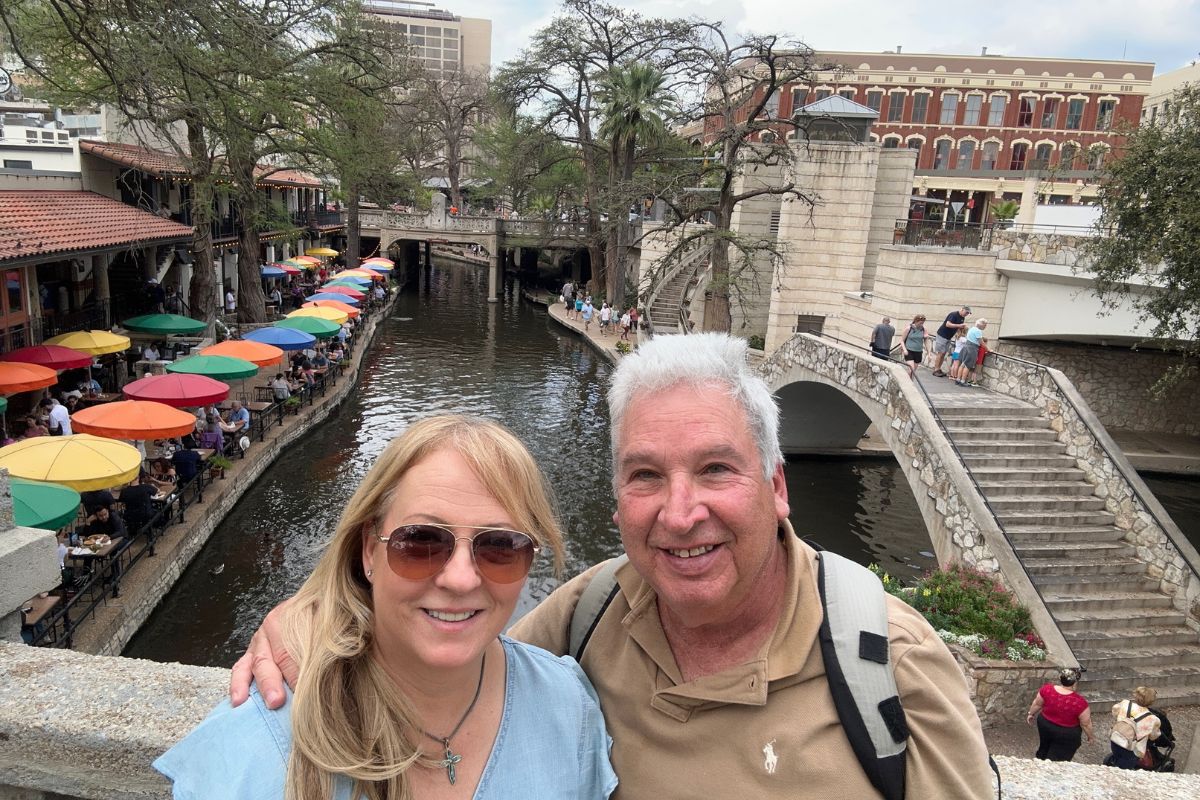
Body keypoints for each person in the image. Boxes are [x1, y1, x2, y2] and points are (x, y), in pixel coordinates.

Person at [232, 333, 994, 798]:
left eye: (716, 470)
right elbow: (449, 644)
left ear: (776, 486)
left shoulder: (888, 660)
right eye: (646, 475)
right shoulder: (592, 613)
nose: (680, 512)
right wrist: (323, 615)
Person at [155, 416, 617, 799]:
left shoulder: (569, 708)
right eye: (420, 542)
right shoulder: (260, 742)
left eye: (500, 547)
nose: (459, 579)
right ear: (369, 552)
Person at [1026, 667, 1093, 761]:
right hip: (1066, 733)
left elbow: (1037, 703)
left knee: (1044, 746)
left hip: (1045, 724)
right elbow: (1085, 724)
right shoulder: (1080, 702)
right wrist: (1090, 737)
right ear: (1074, 683)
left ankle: (1040, 760)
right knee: (1058, 757)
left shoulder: (1047, 689)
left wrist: (1031, 714)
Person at [1108, 686, 1161, 769]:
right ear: (1151, 702)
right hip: (1132, 749)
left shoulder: (1125, 704)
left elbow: (1114, 712)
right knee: (1125, 768)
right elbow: (1154, 736)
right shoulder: (1152, 719)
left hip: (1116, 738)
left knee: (1117, 757)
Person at [931, 305, 970, 377]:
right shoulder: (954, 314)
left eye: (968, 313)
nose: (966, 314)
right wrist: (959, 325)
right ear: (962, 309)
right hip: (942, 335)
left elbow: (958, 328)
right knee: (940, 353)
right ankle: (936, 369)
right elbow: (948, 324)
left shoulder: (962, 318)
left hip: (948, 337)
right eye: (966, 312)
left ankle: (938, 369)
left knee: (943, 353)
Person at [118, 472, 158, 537]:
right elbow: (157, 491)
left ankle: (133, 532)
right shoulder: (146, 487)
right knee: (157, 511)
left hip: (130, 515)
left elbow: (120, 503)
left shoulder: (124, 491)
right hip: (145, 514)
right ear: (138, 478)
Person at [955, 319, 987, 388]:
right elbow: (981, 342)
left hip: (966, 347)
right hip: (972, 348)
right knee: (967, 365)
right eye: (985, 325)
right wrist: (988, 349)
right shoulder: (978, 331)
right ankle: (963, 381)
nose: (985, 326)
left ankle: (958, 379)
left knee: (962, 364)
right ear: (981, 324)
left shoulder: (972, 329)